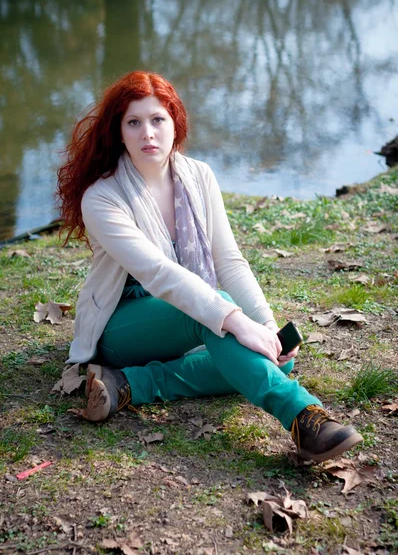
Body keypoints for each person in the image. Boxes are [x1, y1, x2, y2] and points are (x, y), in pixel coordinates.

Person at [57, 71, 363, 463]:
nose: (147, 133)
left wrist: (265, 326)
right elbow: (158, 274)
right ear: (119, 132)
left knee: (264, 355)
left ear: (174, 123)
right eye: (133, 122)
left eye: (157, 120)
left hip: (187, 313)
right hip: (122, 326)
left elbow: (229, 261)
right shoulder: (102, 197)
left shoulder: (199, 176)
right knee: (222, 321)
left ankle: (132, 384)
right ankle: (304, 418)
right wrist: (235, 320)